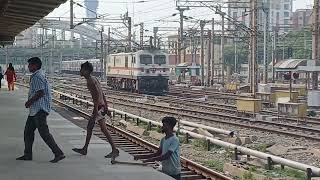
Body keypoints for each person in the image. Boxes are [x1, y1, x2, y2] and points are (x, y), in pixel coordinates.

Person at [16, 57, 65, 163]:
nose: (28, 67)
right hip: (35, 110)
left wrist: (29, 102)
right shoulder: (37, 75)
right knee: (28, 132)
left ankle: (58, 153)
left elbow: (40, 92)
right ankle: (27, 154)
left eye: (30, 65)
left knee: (44, 133)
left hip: (39, 109)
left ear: (35, 65)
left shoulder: (37, 76)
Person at [72, 61, 119, 160]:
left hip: (98, 107)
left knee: (94, 127)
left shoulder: (90, 81)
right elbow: (102, 93)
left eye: (82, 69)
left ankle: (113, 149)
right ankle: (112, 149)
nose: (80, 71)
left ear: (87, 71)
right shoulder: (94, 79)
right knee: (99, 128)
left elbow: (97, 95)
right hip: (101, 106)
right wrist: (106, 106)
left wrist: (95, 111)